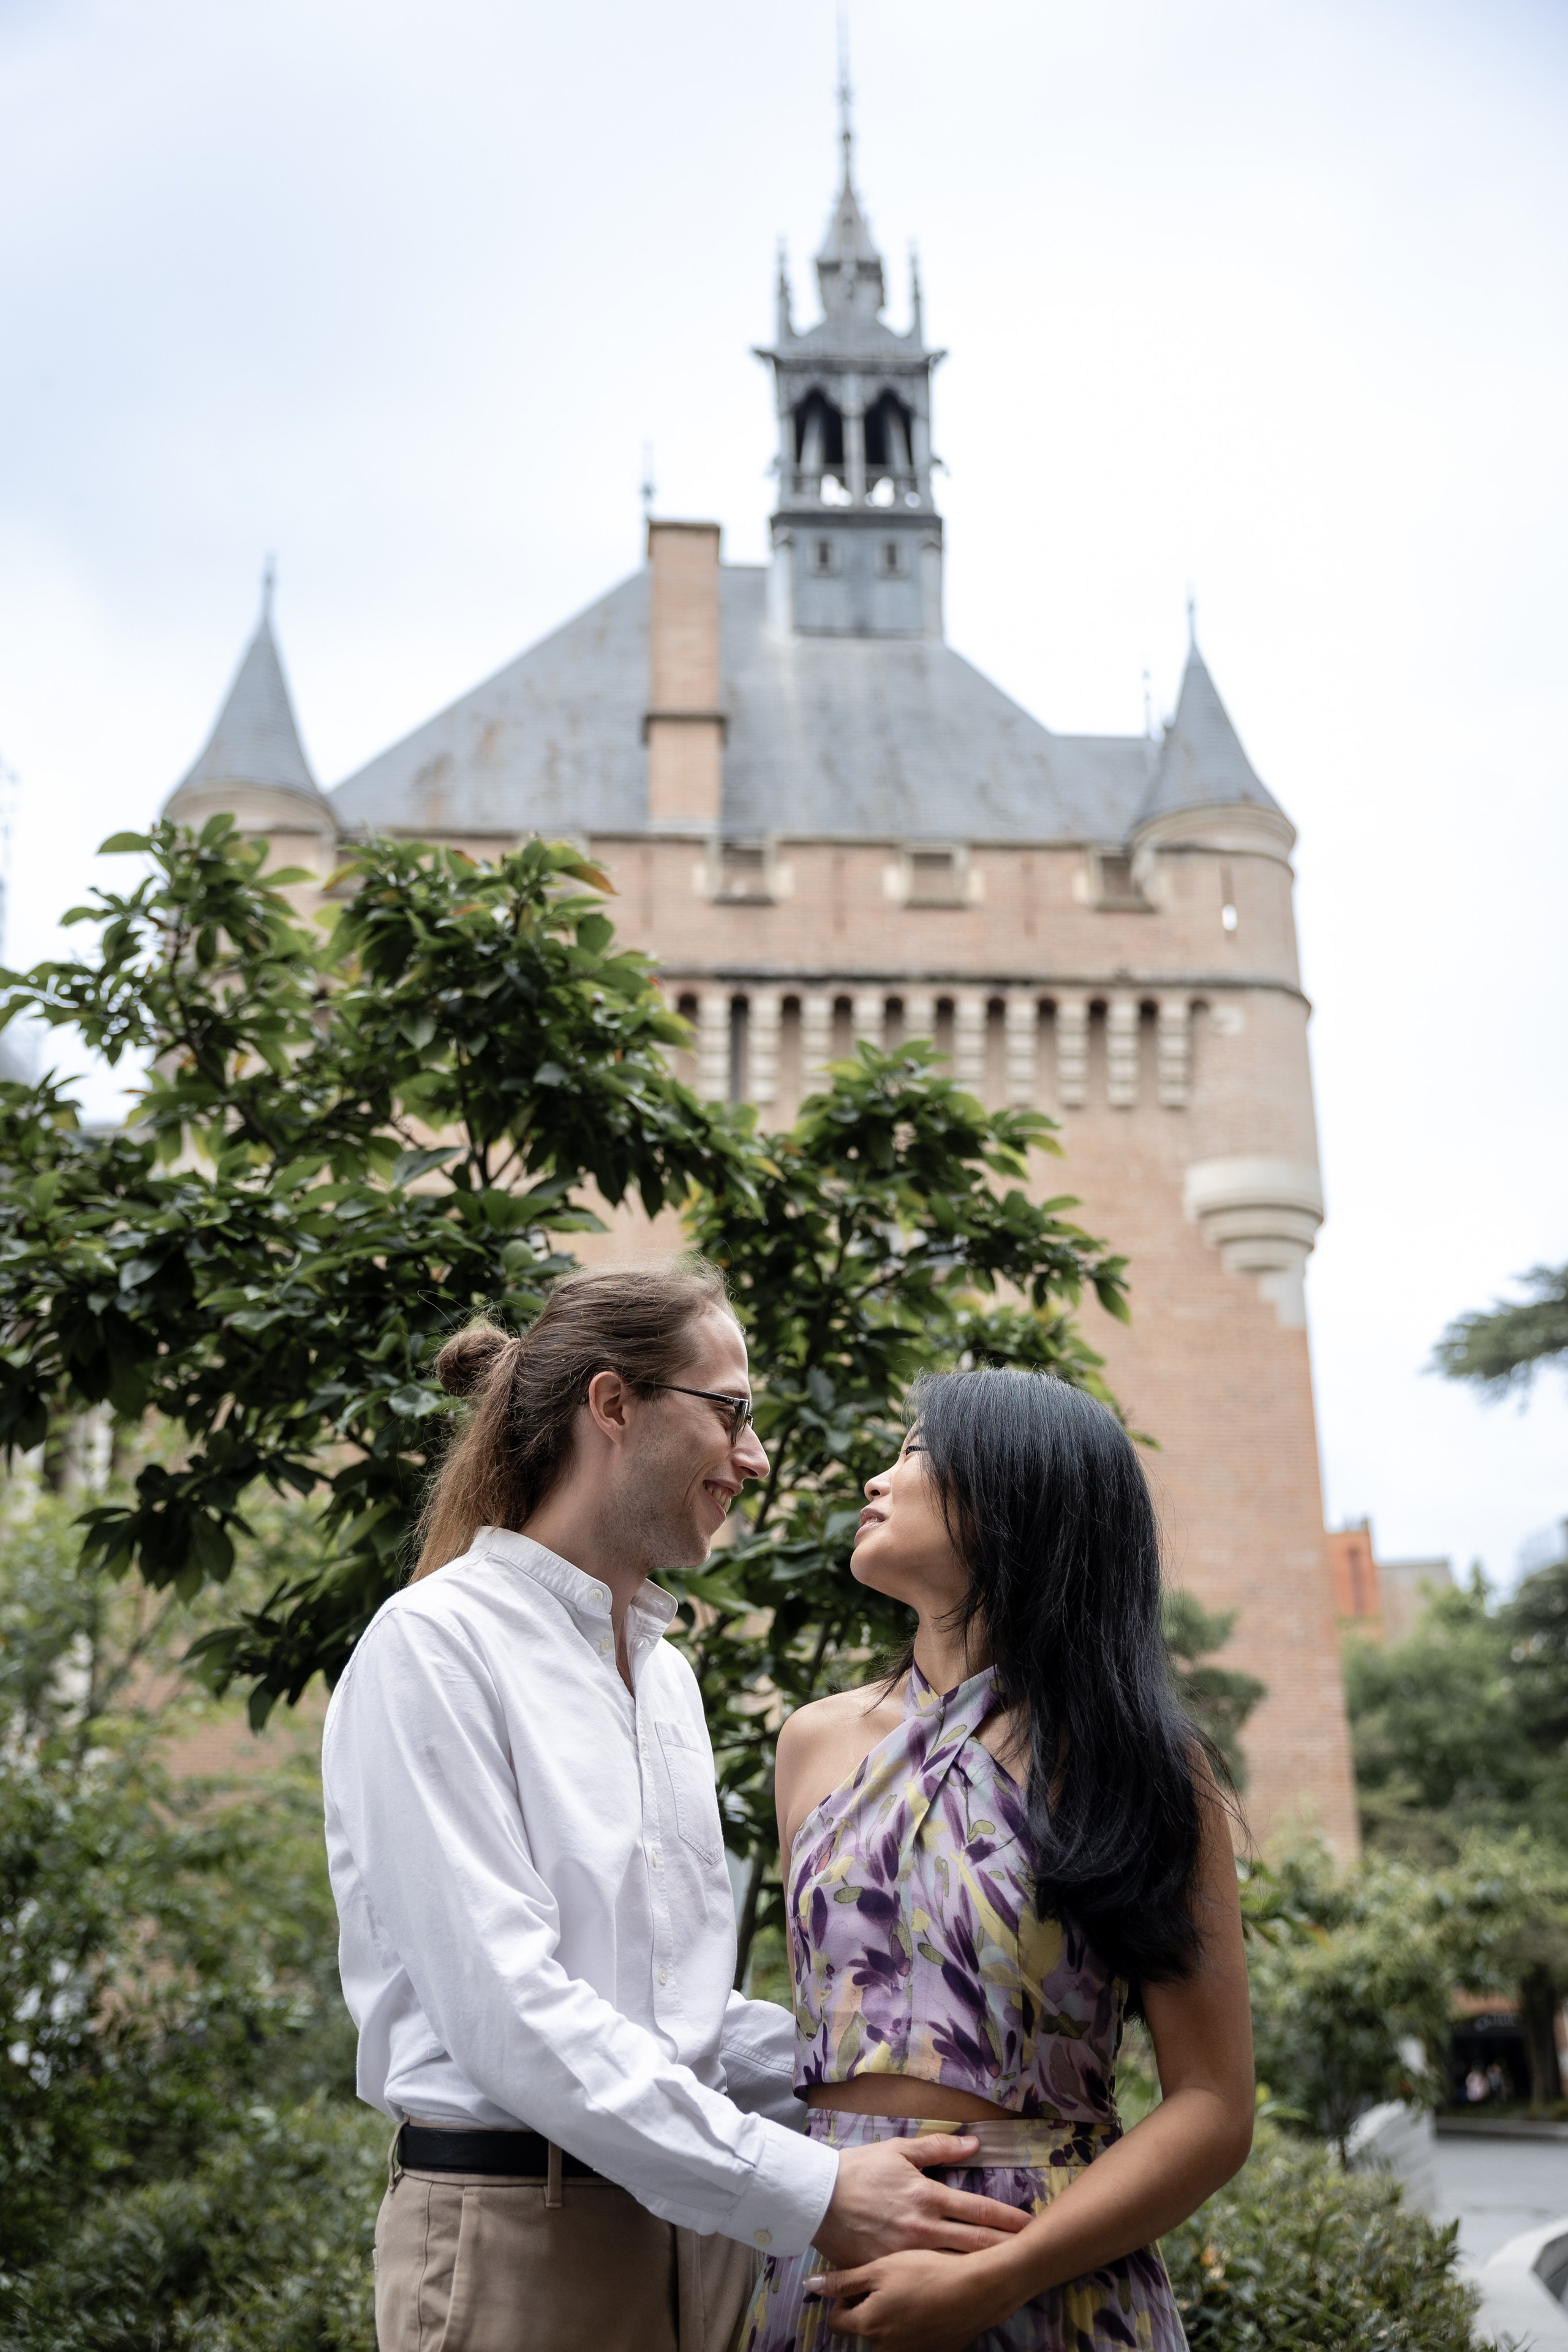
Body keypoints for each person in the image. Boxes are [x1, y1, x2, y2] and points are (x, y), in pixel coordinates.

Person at [321, 1263, 1028, 2352]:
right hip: (521, 2236)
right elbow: (511, 2015)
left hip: (703, 2241)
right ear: (613, 1405)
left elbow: (676, 2020)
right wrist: (812, 2187)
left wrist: (922, 2090)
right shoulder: (435, 1645)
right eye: (732, 1412)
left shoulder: (665, 1678)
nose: (753, 1457)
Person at [737, 1366, 1256, 2352]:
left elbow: (1214, 2105)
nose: (875, 1482)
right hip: (835, 2246)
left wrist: (999, 2276)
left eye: (915, 1453)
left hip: (1044, 2265)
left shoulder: (1137, 1762)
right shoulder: (813, 1742)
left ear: (1017, 1495)